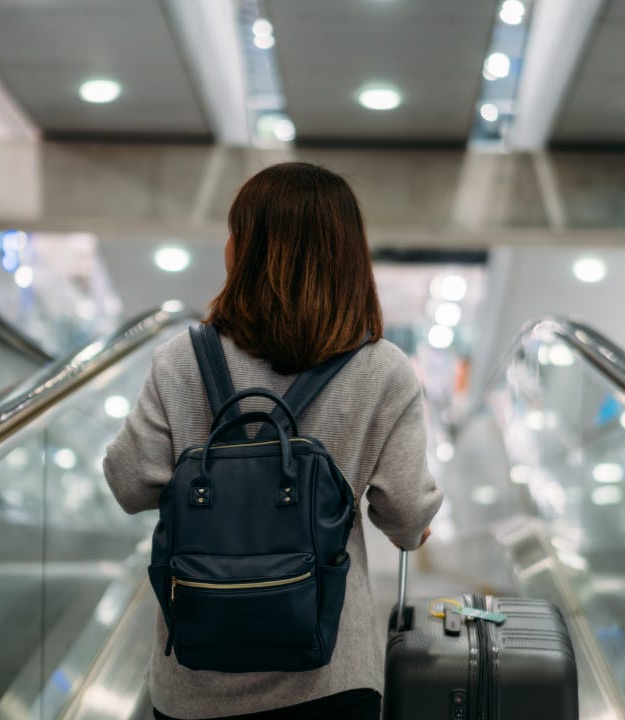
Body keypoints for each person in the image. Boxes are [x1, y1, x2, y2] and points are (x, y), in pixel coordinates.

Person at [103, 162, 443, 719]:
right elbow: (405, 516)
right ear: (349, 256)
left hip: (195, 686)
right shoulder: (383, 371)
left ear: (246, 251)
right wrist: (416, 519)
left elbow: (129, 482)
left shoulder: (183, 360)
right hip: (331, 680)